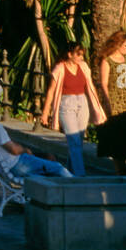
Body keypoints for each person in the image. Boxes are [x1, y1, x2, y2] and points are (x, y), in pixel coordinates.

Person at [0, 92, 73, 180]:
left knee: (48, 157)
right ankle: (80, 189)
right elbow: (14, 150)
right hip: (15, 165)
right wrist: (25, 150)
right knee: (58, 168)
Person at [40, 42, 107, 176]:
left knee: (78, 142)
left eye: (82, 54)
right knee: (74, 141)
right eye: (78, 54)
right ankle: (80, 175)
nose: (81, 57)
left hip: (82, 103)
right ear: (69, 54)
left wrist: (96, 106)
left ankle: (70, 173)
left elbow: (91, 87)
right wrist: (45, 113)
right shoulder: (60, 68)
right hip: (66, 104)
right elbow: (51, 91)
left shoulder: (84, 67)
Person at [92, 30, 126, 175]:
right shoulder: (107, 61)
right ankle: (120, 168)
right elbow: (104, 83)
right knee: (117, 137)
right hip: (115, 103)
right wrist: (106, 101)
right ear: (118, 44)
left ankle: (122, 166)